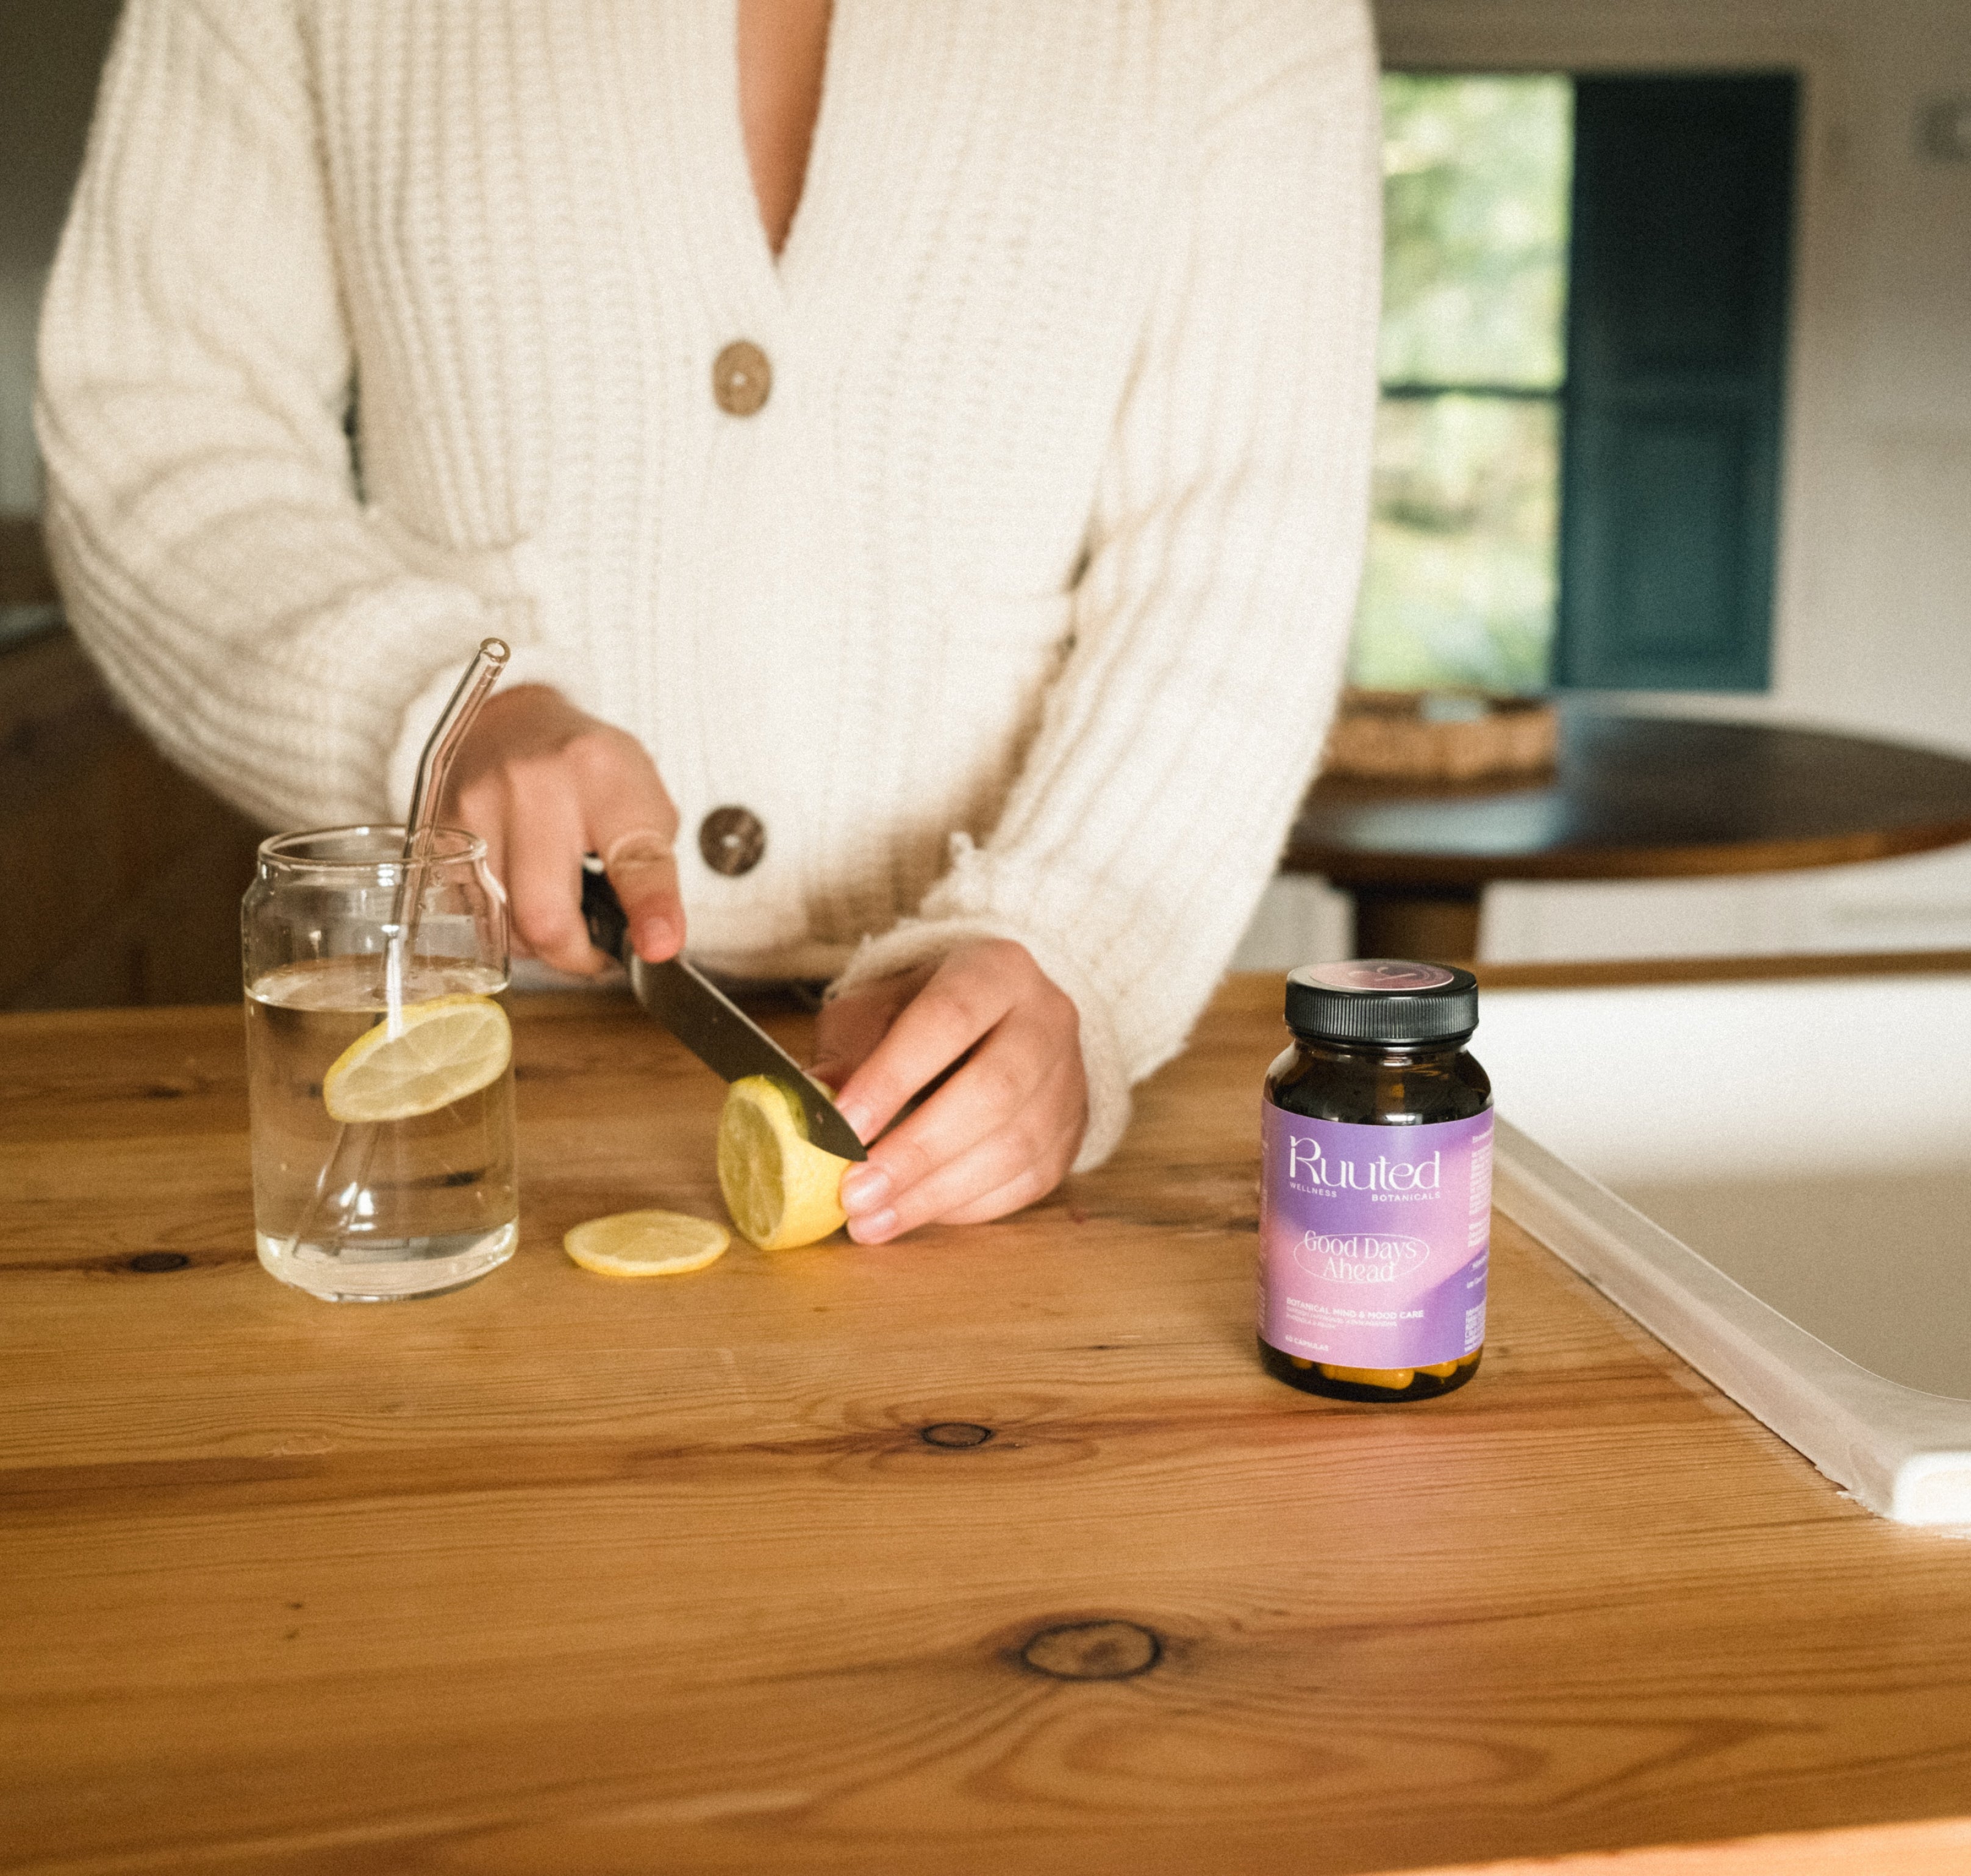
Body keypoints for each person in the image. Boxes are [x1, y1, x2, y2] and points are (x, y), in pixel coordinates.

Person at [37, 0, 1381, 1242]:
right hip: (439, 1086)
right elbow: (156, 415)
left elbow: (1245, 525)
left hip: (991, 1127)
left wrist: (1076, 940)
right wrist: (431, 709)